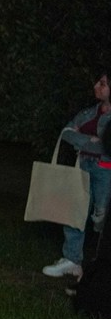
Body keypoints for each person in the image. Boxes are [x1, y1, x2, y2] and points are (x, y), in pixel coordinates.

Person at [42, 70, 111, 279]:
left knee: (102, 219)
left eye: (103, 84)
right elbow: (67, 132)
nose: (97, 86)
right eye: (98, 82)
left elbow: (107, 148)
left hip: (104, 171)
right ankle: (72, 260)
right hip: (82, 164)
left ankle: (100, 270)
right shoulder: (89, 112)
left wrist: (97, 144)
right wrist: (89, 141)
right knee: (74, 212)